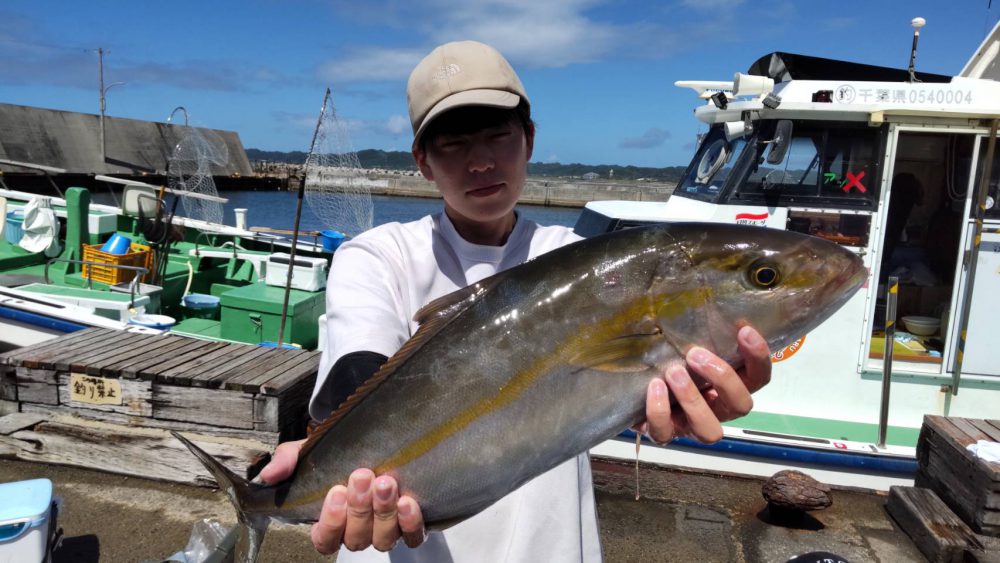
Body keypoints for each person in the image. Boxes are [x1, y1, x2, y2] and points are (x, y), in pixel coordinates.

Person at [258, 40, 772, 561]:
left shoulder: (576, 261)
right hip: (387, 528)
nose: (480, 161)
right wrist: (331, 460)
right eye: (453, 144)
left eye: (497, 135)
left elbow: (621, 388)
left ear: (528, 139)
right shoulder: (377, 254)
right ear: (423, 162)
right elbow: (357, 364)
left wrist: (678, 399)